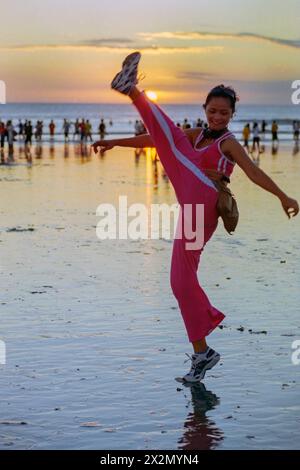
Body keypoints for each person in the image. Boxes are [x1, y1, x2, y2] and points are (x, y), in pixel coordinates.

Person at [92, 52, 299, 383]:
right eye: (213, 111)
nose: (217, 116)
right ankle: (202, 353)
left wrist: (282, 196)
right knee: (179, 281)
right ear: (205, 109)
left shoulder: (229, 143)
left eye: (224, 112)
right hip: (190, 207)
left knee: (173, 139)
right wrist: (114, 143)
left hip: (205, 197)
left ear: (232, 115)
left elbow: (253, 171)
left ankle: (132, 89)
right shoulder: (196, 135)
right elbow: (154, 140)